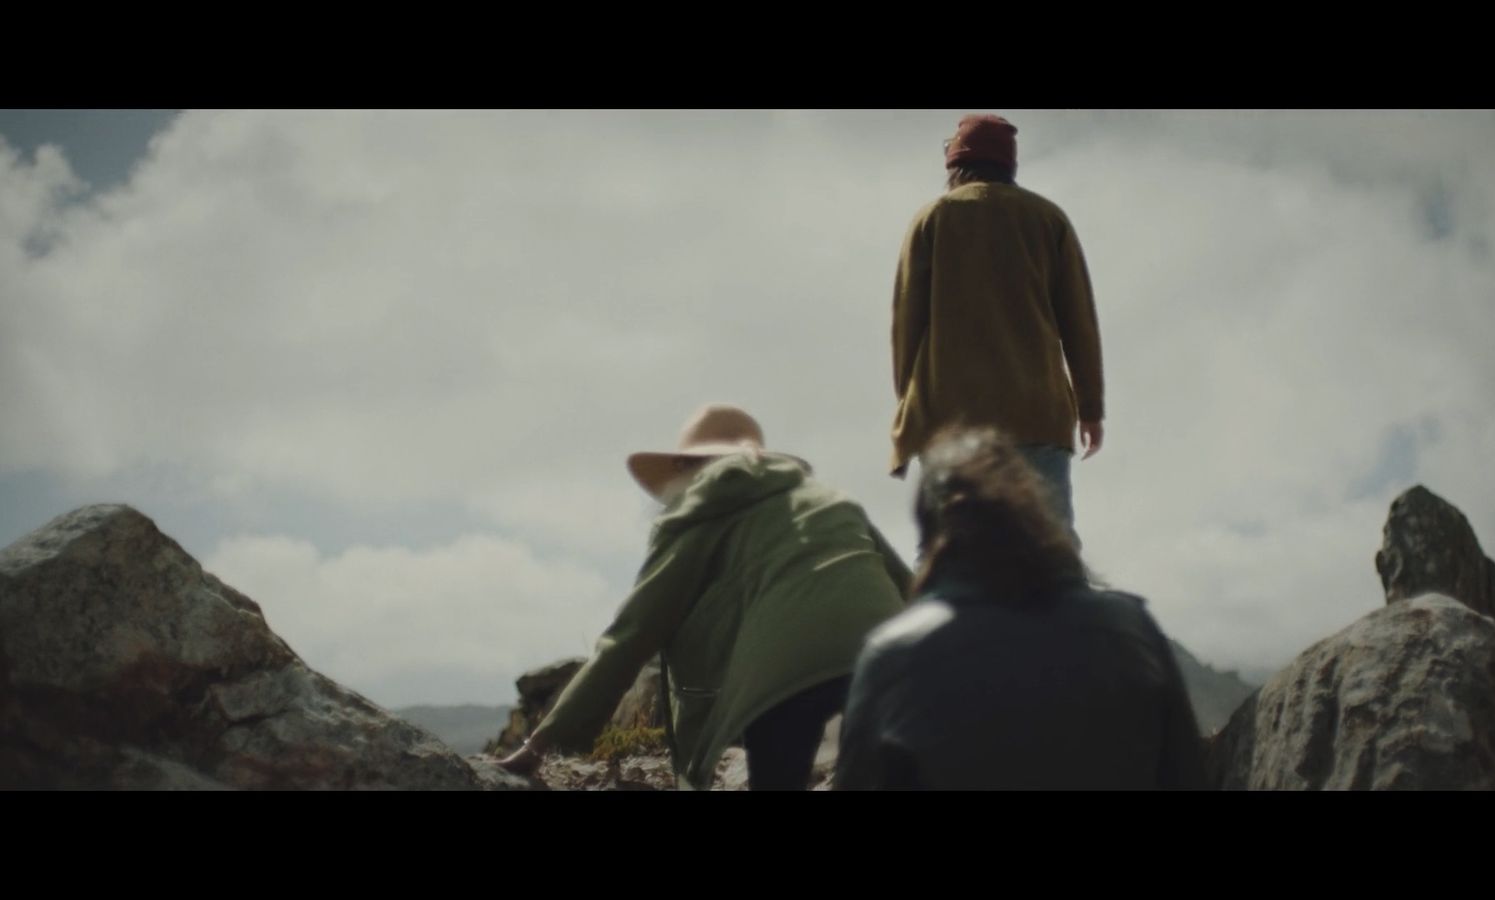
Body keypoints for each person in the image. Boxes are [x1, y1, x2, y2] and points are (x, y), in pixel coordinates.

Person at [494, 404, 911, 790]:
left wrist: (541, 744)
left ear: (688, 468)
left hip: (783, 680)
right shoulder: (831, 502)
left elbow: (633, 633)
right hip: (889, 659)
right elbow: (914, 590)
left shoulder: (697, 519)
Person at [836, 428, 1206, 790]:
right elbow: (1188, 775)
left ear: (930, 532)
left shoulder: (892, 658)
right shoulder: (1130, 626)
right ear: (1034, 512)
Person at [890, 113, 1105, 550]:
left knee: (947, 554)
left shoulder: (934, 218)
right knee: (1050, 554)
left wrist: (909, 402)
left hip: (950, 420)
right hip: (1037, 413)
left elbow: (906, 324)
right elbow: (1078, 320)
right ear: (1009, 165)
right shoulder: (1048, 220)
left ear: (955, 162)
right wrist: (1090, 407)